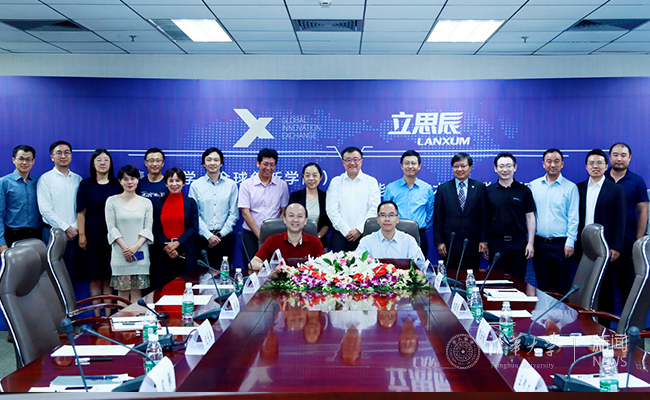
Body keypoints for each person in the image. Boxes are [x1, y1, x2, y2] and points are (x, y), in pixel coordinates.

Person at [577, 149, 626, 320]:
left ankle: (605, 327)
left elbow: (620, 220)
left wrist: (616, 247)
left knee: (605, 289)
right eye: (591, 163)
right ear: (586, 167)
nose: (595, 166)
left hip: (606, 247)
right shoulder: (579, 188)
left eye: (599, 163)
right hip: (583, 246)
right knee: (583, 286)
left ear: (606, 166)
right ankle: (585, 324)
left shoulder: (616, 189)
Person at [76, 149, 121, 315]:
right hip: (92, 235)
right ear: (93, 164)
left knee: (108, 277)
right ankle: (96, 318)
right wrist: (82, 235)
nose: (103, 163)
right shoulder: (86, 184)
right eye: (99, 160)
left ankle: (107, 317)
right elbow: (81, 212)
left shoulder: (117, 184)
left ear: (110, 163)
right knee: (94, 277)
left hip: (113, 235)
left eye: (106, 160)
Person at [605, 142, 648, 313]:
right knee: (604, 288)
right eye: (615, 155)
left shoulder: (637, 181)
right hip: (603, 242)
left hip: (628, 241)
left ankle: (629, 323)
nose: (619, 158)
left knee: (627, 285)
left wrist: (639, 239)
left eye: (623, 155)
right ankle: (603, 325)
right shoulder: (601, 179)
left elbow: (643, 211)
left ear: (629, 158)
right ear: (609, 157)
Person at [529, 149, 579, 294]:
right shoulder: (534, 186)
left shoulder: (570, 187)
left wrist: (570, 242)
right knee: (542, 287)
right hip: (540, 244)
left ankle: (560, 311)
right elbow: (530, 216)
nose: (552, 165)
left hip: (561, 245)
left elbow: (573, 217)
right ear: (543, 164)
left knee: (561, 288)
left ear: (562, 164)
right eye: (549, 161)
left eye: (556, 161)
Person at [105, 165, 154, 303]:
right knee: (122, 295)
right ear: (120, 181)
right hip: (120, 254)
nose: (129, 182)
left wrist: (135, 247)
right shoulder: (111, 201)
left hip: (140, 254)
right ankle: (123, 318)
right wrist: (126, 248)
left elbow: (147, 229)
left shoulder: (146, 202)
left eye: (132, 178)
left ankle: (136, 318)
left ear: (138, 179)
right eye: (125, 179)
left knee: (137, 295)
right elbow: (112, 228)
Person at [485, 152, 536, 281]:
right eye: (501, 166)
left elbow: (530, 217)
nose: (505, 170)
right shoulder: (488, 191)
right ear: (495, 168)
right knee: (495, 281)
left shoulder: (524, 191)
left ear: (515, 167)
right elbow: (484, 219)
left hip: (519, 244)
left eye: (508, 166)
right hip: (496, 243)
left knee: (518, 282)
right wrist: (485, 242)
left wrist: (530, 243)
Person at [434, 152, 488, 270]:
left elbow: (484, 216)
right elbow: (438, 217)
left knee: (471, 276)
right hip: (449, 245)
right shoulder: (443, 189)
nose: (459, 169)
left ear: (470, 167)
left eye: (463, 166)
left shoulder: (479, 187)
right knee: (450, 276)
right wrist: (439, 242)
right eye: (456, 166)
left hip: (473, 244)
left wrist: (484, 240)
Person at [37, 140, 82, 278]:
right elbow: (45, 210)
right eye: (59, 153)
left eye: (67, 153)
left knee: (71, 275)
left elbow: (81, 208)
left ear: (71, 156)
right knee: (51, 275)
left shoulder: (78, 179)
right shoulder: (45, 179)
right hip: (52, 234)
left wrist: (74, 229)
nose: (63, 156)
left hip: (74, 235)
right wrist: (66, 228)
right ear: (52, 157)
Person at [189, 147, 239, 270]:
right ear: (203, 164)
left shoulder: (231, 185)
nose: (212, 163)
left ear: (221, 163)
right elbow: (194, 215)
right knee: (203, 275)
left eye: (216, 160)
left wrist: (220, 235)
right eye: (209, 160)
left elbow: (234, 214)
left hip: (225, 238)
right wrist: (208, 235)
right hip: (203, 238)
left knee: (224, 274)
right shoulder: (196, 185)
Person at [238, 148, 289, 264]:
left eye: (272, 165)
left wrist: (274, 232)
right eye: (265, 164)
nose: (268, 168)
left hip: (275, 235)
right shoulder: (246, 185)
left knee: (276, 269)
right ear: (258, 163)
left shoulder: (282, 185)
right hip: (251, 235)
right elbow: (245, 213)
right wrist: (261, 235)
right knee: (252, 268)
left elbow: (284, 211)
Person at [326, 146, 381, 252]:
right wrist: (345, 230)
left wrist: (359, 230)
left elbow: (374, 209)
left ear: (361, 161)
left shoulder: (371, 182)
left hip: (365, 235)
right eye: (348, 160)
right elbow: (331, 210)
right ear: (343, 162)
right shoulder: (336, 182)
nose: (352, 163)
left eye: (355, 159)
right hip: (340, 236)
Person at [152, 167, 199, 288]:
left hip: (186, 250)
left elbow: (194, 227)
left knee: (187, 287)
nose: (174, 184)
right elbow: (156, 228)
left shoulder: (190, 203)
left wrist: (177, 243)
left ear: (183, 183)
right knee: (164, 288)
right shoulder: (159, 203)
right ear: (166, 184)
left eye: (178, 180)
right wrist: (168, 247)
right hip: (165, 251)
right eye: (171, 181)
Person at [383, 150, 434, 258]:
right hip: (395, 234)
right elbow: (384, 213)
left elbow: (430, 213)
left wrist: (420, 226)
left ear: (419, 166)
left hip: (419, 234)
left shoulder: (427, 188)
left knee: (420, 266)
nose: (410, 166)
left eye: (413, 163)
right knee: (396, 266)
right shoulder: (391, 188)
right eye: (407, 163)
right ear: (402, 166)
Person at [249, 203, 325, 271]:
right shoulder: (272, 240)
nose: (295, 219)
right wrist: (270, 270)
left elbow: (325, 264)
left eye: (300, 216)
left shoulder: (315, 241)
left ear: (305, 221)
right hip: (278, 281)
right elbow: (253, 263)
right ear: (284, 219)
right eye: (291, 215)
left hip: (305, 281)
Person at [0, 145, 42, 251]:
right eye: (21, 159)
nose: (24, 162)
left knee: (36, 262)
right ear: (13, 160)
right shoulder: (4, 183)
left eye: (28, 159)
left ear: (33, 161)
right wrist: (1, 242)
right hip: (13, 235)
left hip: (36, 235)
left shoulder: (39, 182)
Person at [357, 200, 424, 260]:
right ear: (378, 219)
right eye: (383, 215)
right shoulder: (366, 242)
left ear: (397, 219)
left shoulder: (409, 241)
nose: (387, 219)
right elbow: (358, 264)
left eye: (391, 215)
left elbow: (420, 266)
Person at [288, 162, 332, 249]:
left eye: (314, 175)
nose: (311, 179)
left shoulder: (325, 197)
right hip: (297, 243)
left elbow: (328, 222)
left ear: (320, 177)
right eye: (307, 175)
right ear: (303, 177)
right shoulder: (295, 196)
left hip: (319, 243)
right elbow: (290, 219)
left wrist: (318, 236)